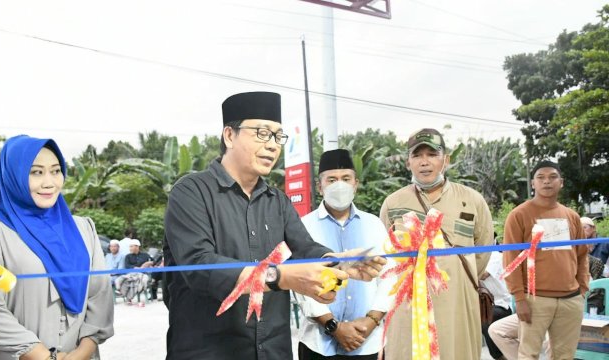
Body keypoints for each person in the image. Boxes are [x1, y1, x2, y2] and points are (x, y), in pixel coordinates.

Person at [163, 91, 386, 360]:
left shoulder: (277, 201)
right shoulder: (191, 192)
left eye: (278, 137)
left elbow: (305, 247)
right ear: (229, 136)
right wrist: (281, 277)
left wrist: (339, 263)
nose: (273, 145)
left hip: (273, 351)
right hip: (208, 351)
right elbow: (199, 267)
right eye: (262, 133)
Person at [0, 135, 114, 360]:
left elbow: (100, 294)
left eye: (56, 171)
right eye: (36, 172)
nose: (49, 182)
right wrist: (42, 357)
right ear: (13, 176)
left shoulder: (84, 228)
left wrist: (82, 353)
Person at [379, 128, 494, 360]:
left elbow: (484, 250)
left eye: (432, 154)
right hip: (408, 306)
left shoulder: (472, 200)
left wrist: (456, 274)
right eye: (417, 155)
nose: (424, 162)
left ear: (446, 160)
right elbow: (385, 255)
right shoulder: (393, 203)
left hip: (458, 303)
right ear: (408, 162)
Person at [296, 149, 394, 360]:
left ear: (355, 184)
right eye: (331, 179)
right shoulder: (303, 226)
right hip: (318, 344)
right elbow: (301, 284)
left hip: (368, 341)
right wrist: (334, 326)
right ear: (319, 186)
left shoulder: (374, 224)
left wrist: (371, 321)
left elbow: (390, 277)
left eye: (345, 178)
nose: (339, 185)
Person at [503, 160, 589, 359]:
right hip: (535, 300)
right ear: (533, 183)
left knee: (565, 355)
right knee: (528, 355)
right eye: (540, 178)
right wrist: (519, 298)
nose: (547, 182)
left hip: (571, 299)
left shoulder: (572, 216)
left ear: (561, 182)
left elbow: (582, 255)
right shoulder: (518, 215)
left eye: (552, 177)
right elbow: (511, 260)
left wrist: (582, 289)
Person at [480, 246, 513, 360]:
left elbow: (483, 275)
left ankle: (500, 357)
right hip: (484, 306)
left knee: (485, 320)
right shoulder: (475, 257)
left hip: (502, 305)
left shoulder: (494, 256)